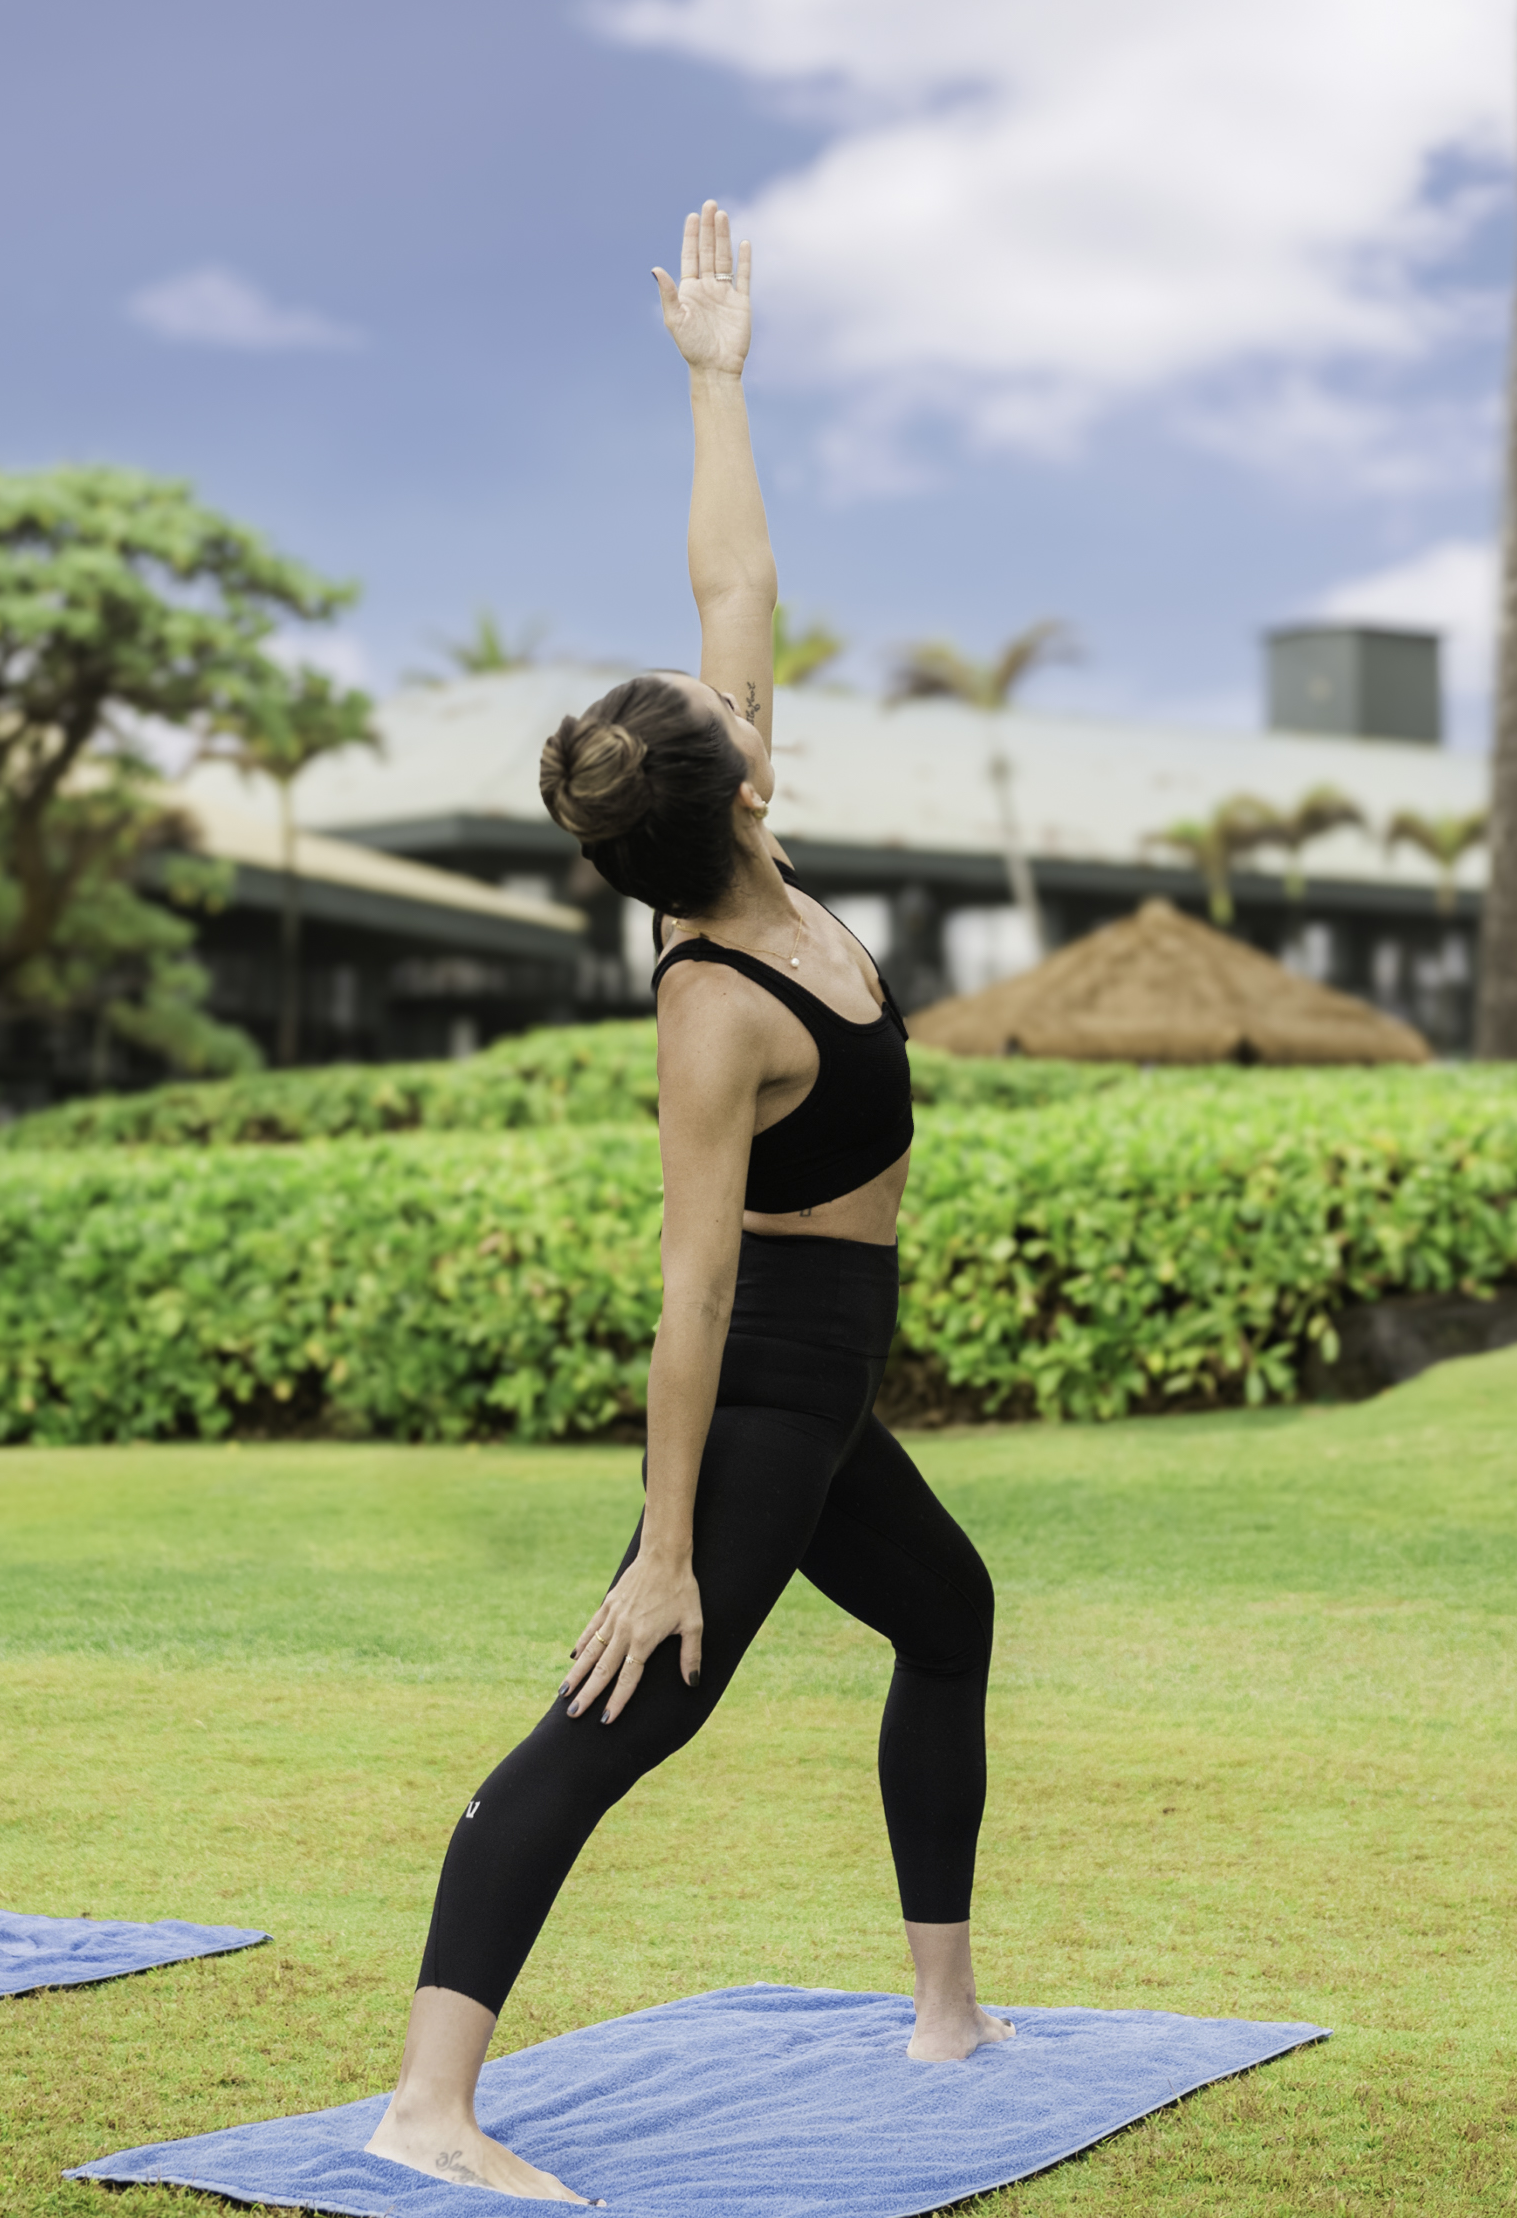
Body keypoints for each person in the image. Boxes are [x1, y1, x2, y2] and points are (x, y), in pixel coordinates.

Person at [365, 208, 1008, 2200]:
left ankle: (946, 2006)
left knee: (950, 1615)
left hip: (821, 1389)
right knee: (618, 1709)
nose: (741, 698)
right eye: (726, 717)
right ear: (727, 791)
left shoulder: (748, 849)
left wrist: (717, 376)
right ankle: (424, 2101)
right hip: (759, 1400)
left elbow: (734, 570)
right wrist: (664, 1548)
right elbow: (690, 1295)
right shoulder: (714, 1007)